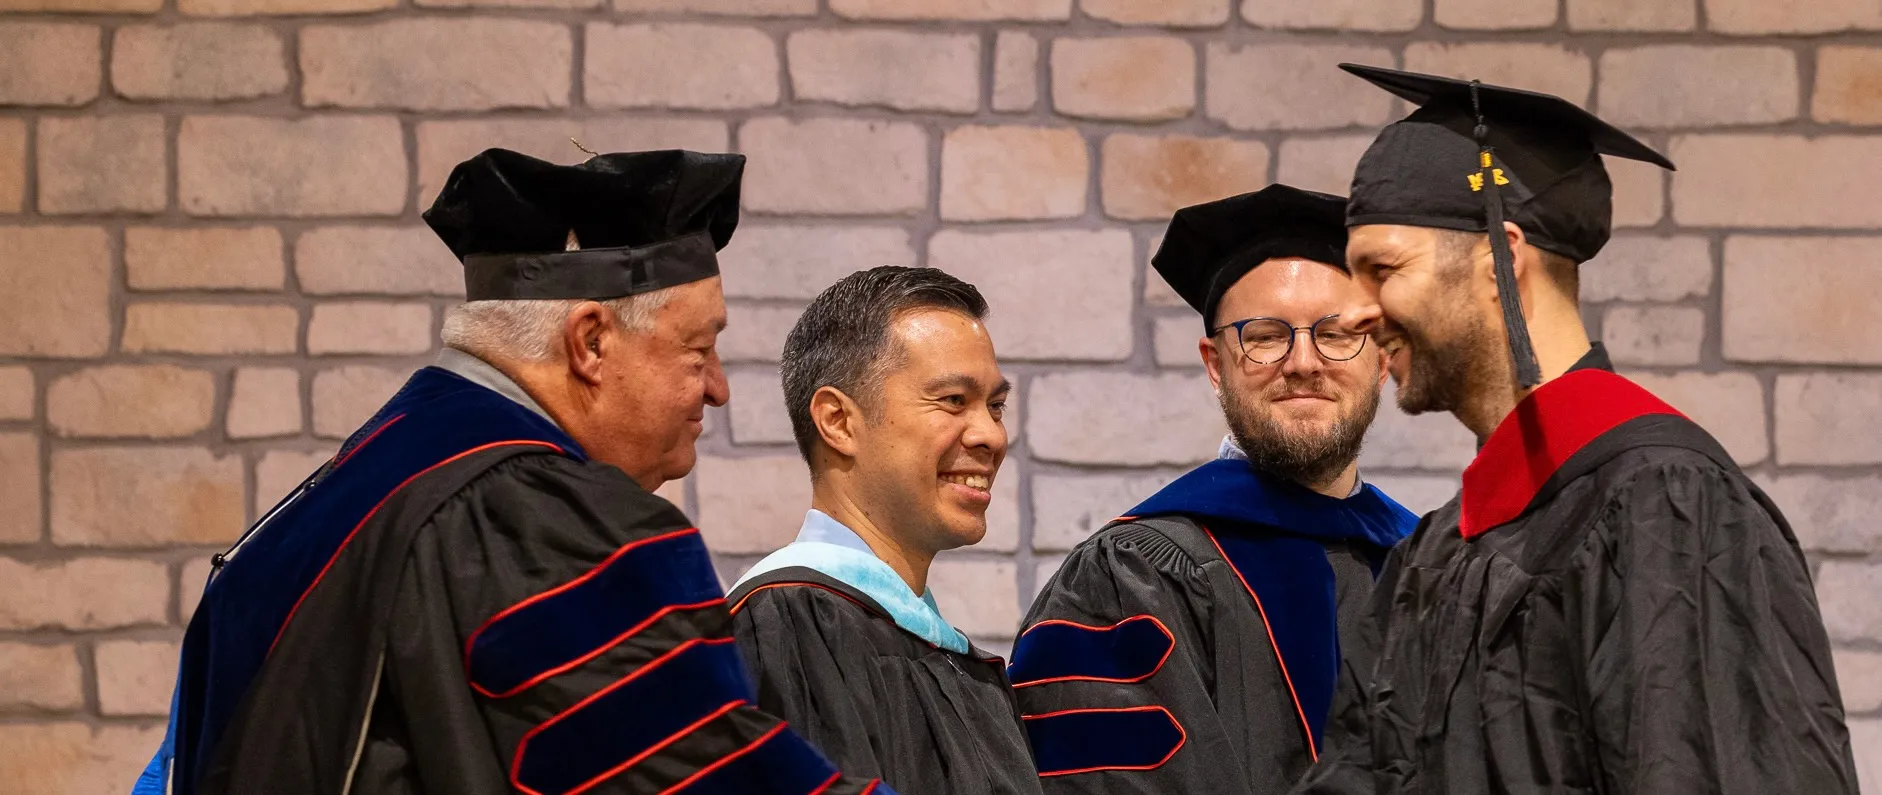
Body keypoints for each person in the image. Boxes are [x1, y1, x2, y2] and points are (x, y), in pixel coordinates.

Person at [135, 149, 892, 795]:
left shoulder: (328, 502)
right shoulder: (544, 519)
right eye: (698, 351)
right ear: (591, 342)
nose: (718, 387)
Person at [1296, 65, 1857, 794]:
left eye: (1383, 268)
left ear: (1504, 261)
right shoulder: (1431, 555)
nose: (1358, 310)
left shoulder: (1666, 508)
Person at [1007, 184, 1418, 794]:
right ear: (1215, 365)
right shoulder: (1130, 579)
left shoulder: (1428, 564)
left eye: (1334, 333)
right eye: (1265, 335)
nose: (1303, 361)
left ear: (1382, 359)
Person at [725, 266, 1041, 795]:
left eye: (996, 405)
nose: (991, 434)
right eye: (952, 401)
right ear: (839, 422)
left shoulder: (938, 651)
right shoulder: (792, 624)